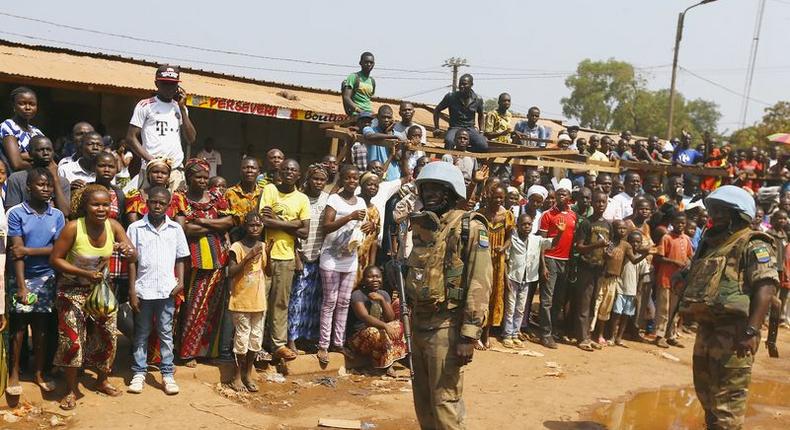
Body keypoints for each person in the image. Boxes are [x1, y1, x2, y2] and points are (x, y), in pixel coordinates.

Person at [678, 185, 778, 429]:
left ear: (739, 214)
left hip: (735, 332)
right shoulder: (712, 244)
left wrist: (751, 331)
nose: (717, 215)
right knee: (706, 394)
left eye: (724, 211)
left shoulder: (753, 243)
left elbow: (766, 289)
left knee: (729, 401)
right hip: (708, 329)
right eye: (715, 210)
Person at [405, 161, 491, 429]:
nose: (429, 194)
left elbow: (480, 281)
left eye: (437, 189)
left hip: (447, 326)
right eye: (425, 188)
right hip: (419, 324)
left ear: (452, 193)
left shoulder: (470, 227)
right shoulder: (425, 226)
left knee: (445, 403)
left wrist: (469, 334)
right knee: (423, 402)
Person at [50, 184, 136, 410]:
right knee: (72, 341)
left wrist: (128, 249)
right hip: (70, 290)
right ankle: (70, 389)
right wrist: (84, 273)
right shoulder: (73, 228)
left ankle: (102, 380)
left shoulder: (114, 226)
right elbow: (56, 259)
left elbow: (133, 252)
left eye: (105, 204)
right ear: (85, 206)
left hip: (99, 292)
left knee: (107, 336)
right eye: (95, 204)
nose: (101, 209)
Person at [5, 168, 65, 396]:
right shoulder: (16, 213)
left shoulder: (57, 215)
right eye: (41, 185)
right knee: (19, 328)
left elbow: (57, 250)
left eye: (49, 185)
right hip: (21, 277)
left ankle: (40, 373)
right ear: (28, 187)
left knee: (41, 328)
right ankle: (14, 374)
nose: (46, 189)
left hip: (47, 277)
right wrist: (21, 287)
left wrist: (30, 249)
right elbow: (16, 254)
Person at [126, 186, 189, 395]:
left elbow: (181, 257)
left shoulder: (175, 229)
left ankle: (167, 374)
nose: (157, 206)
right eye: (154, 202)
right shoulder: (135, 228)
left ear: (169, 205)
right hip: (144, 290)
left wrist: (180, 282)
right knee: (142, 332)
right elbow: (132, 262)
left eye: (162, 203)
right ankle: (139, 373)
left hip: (166, 290)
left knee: (165, 332)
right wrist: (133, 290)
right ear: (147, 202)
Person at [178, 159, 233, 364]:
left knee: (213, 308)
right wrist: (214, 226)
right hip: (194, 260)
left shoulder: (216, 196)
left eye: (204, 177)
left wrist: (202, 221)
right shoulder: (181, 198)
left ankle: (209, 352)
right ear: (188, 177)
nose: (202, 181)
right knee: (193, 306)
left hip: (219, 258)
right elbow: (185, 229)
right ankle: (187, 352)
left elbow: (229, 222)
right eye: (197, 177)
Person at [258, 158, 309, 361]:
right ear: (280, 172)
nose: (289, 172)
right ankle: (257, 346)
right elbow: (263, 221)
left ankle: (277, 345)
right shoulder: (270, 190)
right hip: (265, 256)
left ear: (298, 175)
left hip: (287, 257)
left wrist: (277, 221)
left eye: (293, 169)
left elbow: (305, 232)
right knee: (260, 303)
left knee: (280, 304)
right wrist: (293, 223)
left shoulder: (302, 199)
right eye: (285, 169)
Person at [316, 165, 367, 365]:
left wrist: (369, 225)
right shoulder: (334, 199)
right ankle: (323, 345)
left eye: (355, 178)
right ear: (342, 179)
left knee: (344, 302)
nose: (352, 181)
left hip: (350, 258)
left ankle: (338, 343)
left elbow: (361, 227)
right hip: (330, 257)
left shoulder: (361, 201)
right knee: (330, 301)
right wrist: (349, 216)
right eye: (348, 178)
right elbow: (326, 227)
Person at [126, 65, 197, 191]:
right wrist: (151, 160)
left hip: (175, 170)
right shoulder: (145, 105)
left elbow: (191, 138)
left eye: (172, 84)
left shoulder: (180, 108)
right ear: (156, 83)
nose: (169, 88)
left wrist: (182, 108)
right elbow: (131, 138)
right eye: (165, 83)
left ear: (178, 87)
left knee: (176, 207)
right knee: (148, 206)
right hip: (152, 169)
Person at [287, 164, 329, 352]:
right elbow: (293, 230)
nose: (318, 183)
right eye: (315, 179)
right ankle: (291, 339)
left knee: (313, 301)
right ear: (308, 179)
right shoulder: (300, 199)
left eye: (322, 180)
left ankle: (307, 338)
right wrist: (296, 255)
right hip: (301, 254)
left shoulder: (327, 200)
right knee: (297, 300)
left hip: (319, 255)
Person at [227, 212, 267, 392]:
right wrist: (248, 257)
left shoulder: (263, 246)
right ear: (245, 226)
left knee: (256, 340)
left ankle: (247, 374)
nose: (255, 228)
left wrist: (270, 253)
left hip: (258, 301)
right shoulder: (237, 246)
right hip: (241, 300)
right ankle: (237, 376)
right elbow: (231, 271)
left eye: (258, 225)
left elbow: (269, 271)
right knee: (241, 338)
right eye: (251, 225)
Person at [590, 220, 648, 346]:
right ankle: (590, 333)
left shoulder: (626, 245)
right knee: (595, 306)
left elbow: (633, 260)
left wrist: (645, 254)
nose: (621, 231)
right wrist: (606, 255)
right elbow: (604, 258)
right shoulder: (609, 242)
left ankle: (600, 334)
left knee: (606, 308)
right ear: (613, 229)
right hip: (602, 277)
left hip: (613, 280)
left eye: (624, 228)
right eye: (619, 228)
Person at [502, 214, 553, 348]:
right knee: (510, 308)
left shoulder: (536, 240)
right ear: (518, 225)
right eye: (524, 224)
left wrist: (560, 232)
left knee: (520, 308)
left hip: (527, 280)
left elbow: (552, 243)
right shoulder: (512, 239)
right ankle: (507, 334)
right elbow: (506, 261)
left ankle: (515, 332)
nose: (527, 227)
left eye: (529, 224)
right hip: (513, 278)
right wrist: (506, 277)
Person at [537, 179, 576, 348]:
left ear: (569, 196)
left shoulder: (573, 215)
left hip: (565, 262)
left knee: (558, 300)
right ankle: (545, 334)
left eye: (564, 194)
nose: (561, 196)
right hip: (550, 260)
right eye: (559, 193)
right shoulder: (547, 215)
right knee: (547, 300)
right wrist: (543, 265)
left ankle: (552, 331)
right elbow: (541, 243)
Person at [348, 265, 407, 375]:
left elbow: (390, 318)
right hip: (359, 338)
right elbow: (364, 317)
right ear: (364, 279)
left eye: (377, 276)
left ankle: (388, 363)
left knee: (398, 326)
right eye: (370, 277)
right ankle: (381, 365)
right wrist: (385, 326)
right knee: (374, 332)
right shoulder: (357, 295)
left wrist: (382, 301)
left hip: (380, 332)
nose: (375, 280)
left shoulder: (383, 294)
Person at [573, 191, 611, 351]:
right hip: (586, 268)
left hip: (599, 269)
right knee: (584, 303)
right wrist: (596, 246)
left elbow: (610, 244)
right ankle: (582, 338)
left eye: (603, 202)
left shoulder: (608, 225)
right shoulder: (586, 223)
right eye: (597, 202)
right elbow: (579, 247)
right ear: (592, 203)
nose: (600, 205)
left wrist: (609, 253)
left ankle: (587, 335)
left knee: (594, 303)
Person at [478, 185, 514, 350]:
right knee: (479, 294)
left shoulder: (506, 216)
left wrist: (503, 248)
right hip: (481, 258)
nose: (498, 200)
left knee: (494, 296)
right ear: (489, 196)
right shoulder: (481, 213)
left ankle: (486, 334)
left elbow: (509, 238)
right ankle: (476, 334)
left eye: (501, 197)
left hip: (497, 261)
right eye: (496, 197)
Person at [654, 212, 693, 348]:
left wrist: (689, 263)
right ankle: (659, 335)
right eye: (678, 222)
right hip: (666, 277)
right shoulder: (667, 237)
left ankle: (671, 335)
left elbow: (690, 255)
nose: (680, 225)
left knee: (674, 309)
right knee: (663, 308)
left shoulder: (686, 239)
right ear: (673, 223)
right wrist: (674, 261)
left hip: (679, 280)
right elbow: (659, 257)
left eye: (683, 223)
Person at [4, 136, 70, 215]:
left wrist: (55, 178)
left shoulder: (62, 182)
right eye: (40, 150)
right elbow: (11, 213)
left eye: (49, 150)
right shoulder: (17, 179)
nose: (45, 153)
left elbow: (65, 213)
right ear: (30, 153)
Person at [610, 230, 651, 346]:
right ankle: (612, 336)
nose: (635, 244)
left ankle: (619, 337)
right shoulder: (625, 255)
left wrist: (638, 291)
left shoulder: (642, 260)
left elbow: (643, 277)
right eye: (632, 242)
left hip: (632, 291)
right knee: (616, 314)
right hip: (621, 288)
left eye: (638, 242)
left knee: (625, 316)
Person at [125, 157, 187, 226]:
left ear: (169, 177)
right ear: (148, 175)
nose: (159, 176)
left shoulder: (177, 199)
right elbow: (133, 226)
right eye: (155, 172)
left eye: (164, 173)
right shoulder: (136, 196)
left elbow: (179, 228)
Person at [433, 74, 487, 152]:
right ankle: (449, 160)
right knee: (449, 141)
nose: (462, 86)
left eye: (465, 84)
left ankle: (465, 152)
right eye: (460, 84)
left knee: (483, 146)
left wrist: (481, 131)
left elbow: (481, 115)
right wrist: (436, 128)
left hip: (470, 128)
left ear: (471, 85)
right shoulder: (451, 97)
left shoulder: (478, 99)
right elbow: (437, 110)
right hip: (455, 128)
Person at [1, 87, 44, 173]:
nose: (27, 107)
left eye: (32, 104)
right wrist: (40, 163)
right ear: (14, 106)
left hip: (37, 181)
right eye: (22, 103)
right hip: (16, 180)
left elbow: (49, 158)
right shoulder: (8, 126)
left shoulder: (37, 132)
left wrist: (23, 155)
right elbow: (17, 164)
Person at [363, 105, 405, 181]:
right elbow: (369, 136)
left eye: (389, 117)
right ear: (378, 117)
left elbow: (397, 157)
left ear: (392, 119)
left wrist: (389, 133)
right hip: (373, 175)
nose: (386, 120)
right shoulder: (369, 129)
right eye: (383, 117)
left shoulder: (398, 135)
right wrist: (392, 137)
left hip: (392, 177)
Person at [225, 157, 263, 236]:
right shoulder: (230, 193)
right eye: (245, 168)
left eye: (253, 168)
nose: (249, 170)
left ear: (259, 172)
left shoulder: (264, 193)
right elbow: (225, 222)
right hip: (235, 240)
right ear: (240, 171)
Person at [356, 172, 381, 284]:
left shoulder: (375, 211)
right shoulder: (352, 203)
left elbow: (374, 240)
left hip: (363, 262)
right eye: (370, 184)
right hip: (346, 258)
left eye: (376, 186)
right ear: (362, 185)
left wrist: (371, 265)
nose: (373, 188)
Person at [341, 52, 376, 116]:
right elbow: (346, 97)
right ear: (360, 63)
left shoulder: (372, 81)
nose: (369, 64)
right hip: (356, 114)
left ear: (374, 64)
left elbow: (367, 99)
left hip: (369, 113)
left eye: (371, 62)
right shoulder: (354, 77)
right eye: (366, 62)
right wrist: (359, 110)